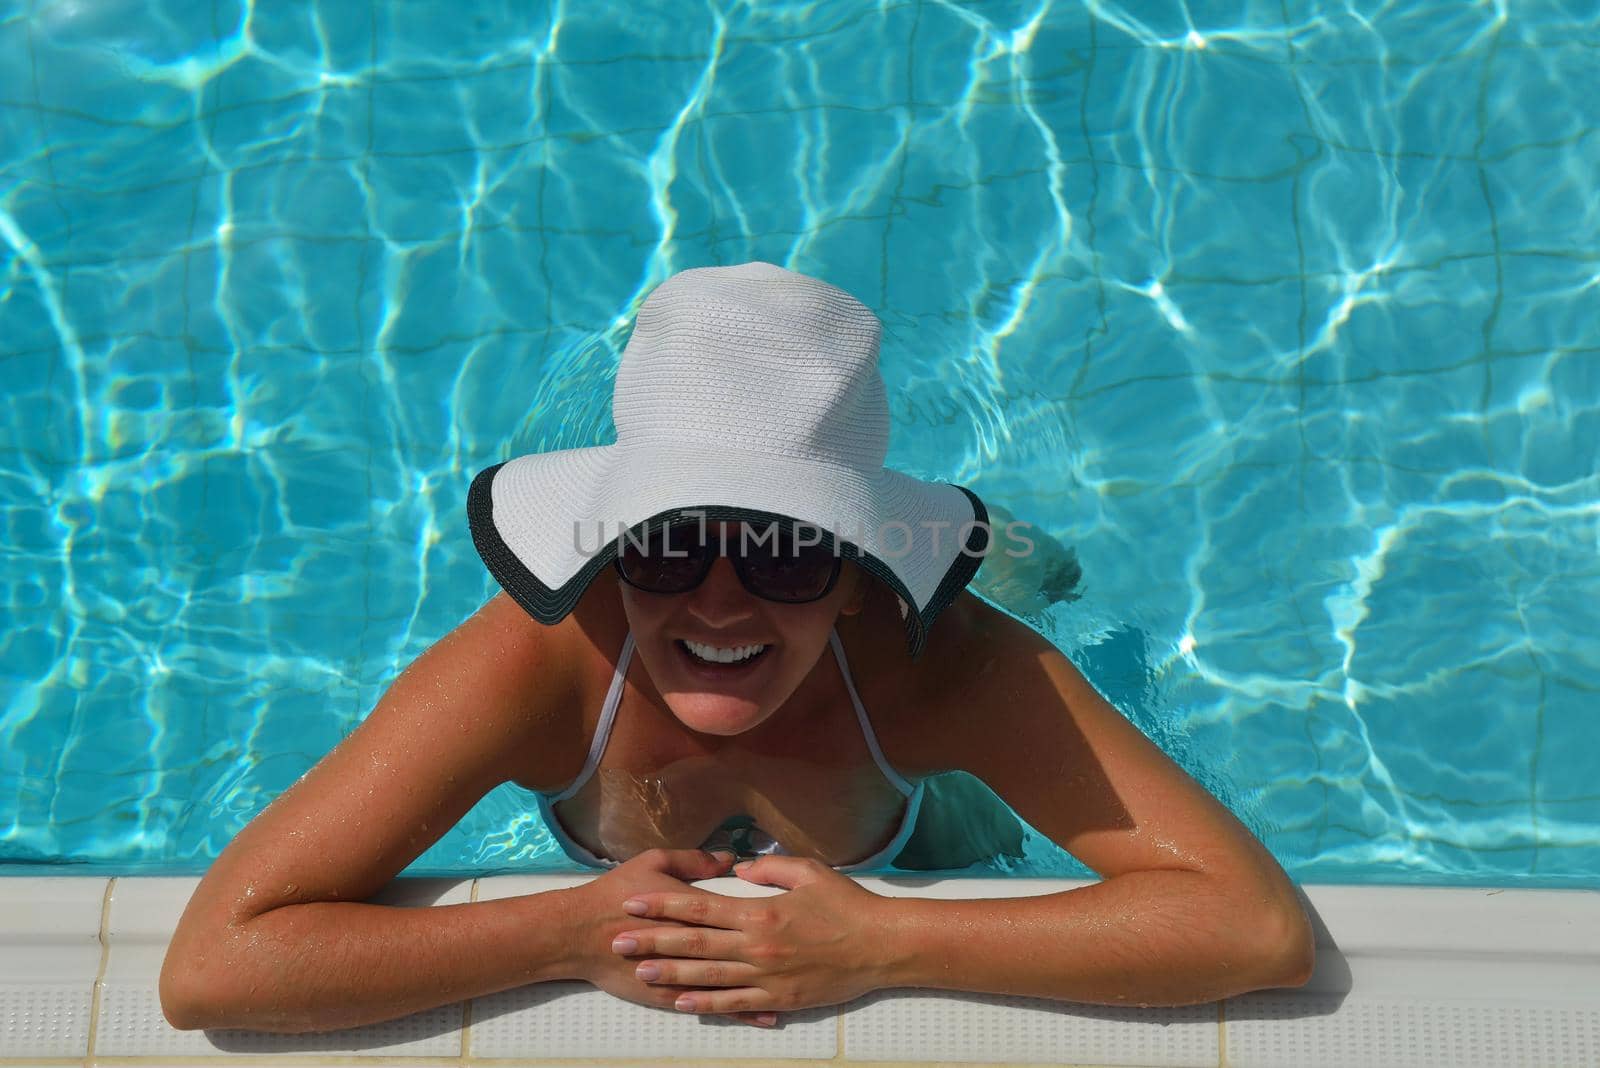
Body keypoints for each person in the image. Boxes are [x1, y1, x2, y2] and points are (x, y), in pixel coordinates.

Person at [160, 262, 1313, 1034]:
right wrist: (569, 931)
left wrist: (884, 943)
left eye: (785, 555)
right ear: (607, 548)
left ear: (860, 577)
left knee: (1024, 644)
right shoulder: (538, 662)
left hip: (917, 833)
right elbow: (217, 965)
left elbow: (1250, 929)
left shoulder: (952, 665)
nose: (717, 606)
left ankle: (1001, 554)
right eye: (666, 548)